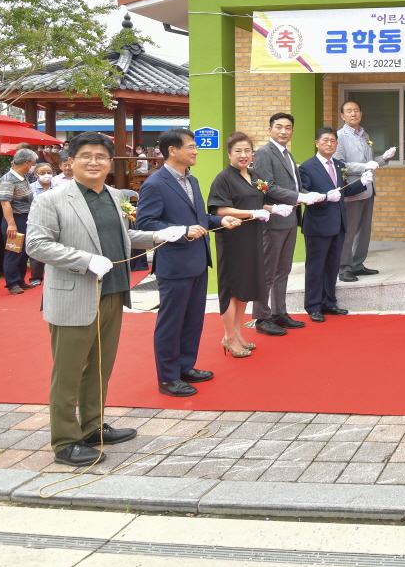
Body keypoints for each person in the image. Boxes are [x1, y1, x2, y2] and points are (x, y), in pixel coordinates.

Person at [25, 132, 184, 467]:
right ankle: (65, 441)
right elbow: (37, 245)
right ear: (70, 162)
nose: (94, 162)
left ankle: (93, 426)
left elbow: (122, 236)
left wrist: (157, 236)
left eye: (101, 156)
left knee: (100, 367)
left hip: (112, 291)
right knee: (68, 373)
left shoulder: (113, 195)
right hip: (74, 295)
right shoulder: (52, 199)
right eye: (86, 156)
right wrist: (84, 260)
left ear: (111, 163)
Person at [136, 128, 241, 397]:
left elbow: (199, 218)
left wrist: (220, 220)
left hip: (197, 261)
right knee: (171, 323)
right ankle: (168, 378)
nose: (196, 151)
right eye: (191, 147)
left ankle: (185, 367)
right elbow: (145, 225)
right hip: (174, 264)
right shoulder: (155, 183)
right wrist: (182, 230)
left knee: (193, 320)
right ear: (172, 150)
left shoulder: (191, 180)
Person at [207, 132, 291, 357]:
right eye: (238, 151)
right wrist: (251, 213)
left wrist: (273, 209)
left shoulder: (254, 176)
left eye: (247, 151)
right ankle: (229, 336)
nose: (243, 155)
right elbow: (219, 209)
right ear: (229, 154)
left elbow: (258, 203)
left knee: (245, 287)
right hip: (233, 239)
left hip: (253, 237)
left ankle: (237, 333)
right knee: (231, 288)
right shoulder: (223, 178)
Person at [251, 112, 324, 336]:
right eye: (279, 127)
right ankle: (261, 318)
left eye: (288, 128)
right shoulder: (264, 153)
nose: (284, 131)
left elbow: (295, 187)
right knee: (267, 271)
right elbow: (267, 186)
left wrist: (311, 195)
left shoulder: (287, 154)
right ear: (270, 129)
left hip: (290, 218)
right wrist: (298, 197)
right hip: (273, 220)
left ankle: (279, 312)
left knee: (283, 269)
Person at [299, 127, 361, 322]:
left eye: (333, 140)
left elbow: (344, 191)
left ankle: (329, 302)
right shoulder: (307, 167)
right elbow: (303, 194)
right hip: (318, 225)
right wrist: (325, 197)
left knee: (332, 266)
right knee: (315, 267)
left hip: (338, 223)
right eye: (325, 140)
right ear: (317, 143)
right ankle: (313, 306)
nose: (329, 143)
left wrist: (363, 183)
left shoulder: (339, 164)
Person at [335, 101, 396, 282]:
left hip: (369, 188)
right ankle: (344, 267)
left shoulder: (365, 134)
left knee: (364, 230)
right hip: (352, 188)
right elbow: (339, 165)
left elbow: (370, 161)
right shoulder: (339, 137)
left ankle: (357, 264)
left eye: (356, 110)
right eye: (349, 111)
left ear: (361, 113)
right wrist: (364, 167)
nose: (353, 114)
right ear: (342, 116)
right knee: (349, 231)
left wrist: (384, 158)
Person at [0, 148, 38, 295]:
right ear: (26, 163)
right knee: (13, 251)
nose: (34, 166)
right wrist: (11, 224)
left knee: (24, 252)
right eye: (33, 163)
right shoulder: (8, 179)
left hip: (27, 218)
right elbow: (5, 203)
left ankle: (20, 279)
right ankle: (12, 283)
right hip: (15, 218)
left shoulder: (23, 177)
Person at [27, 162, 57, 287]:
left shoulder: (58, 187)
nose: (46, 175)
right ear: (36, 175)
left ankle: (56, 275)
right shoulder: (30, 188)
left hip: (55, 220)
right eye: (43, 173)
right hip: (37, 221)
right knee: (38, 247)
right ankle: (36, 277)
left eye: (49, 172)